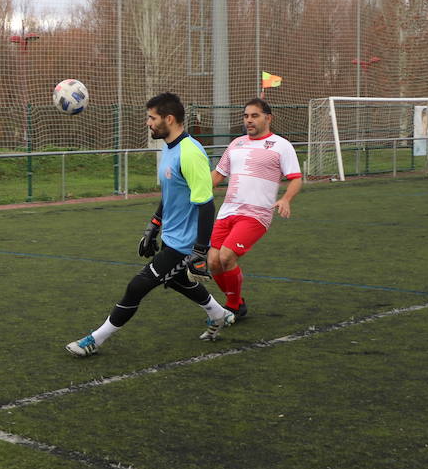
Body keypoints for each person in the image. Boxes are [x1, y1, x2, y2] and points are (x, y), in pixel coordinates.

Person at [65, 92, 235, 356]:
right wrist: (154, 225)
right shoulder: (169, 148)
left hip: (185, 244)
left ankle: (95, 340)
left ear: (169, 119)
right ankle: (218, 313)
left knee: (138, 286)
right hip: (172, 236)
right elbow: (172, 193)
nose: (148, 123)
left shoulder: (190, 153)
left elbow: (205, 204)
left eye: (152, 118)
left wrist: (200, 251)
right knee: (178, 281)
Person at [207, 97, 302, 321]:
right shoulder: (236, 144)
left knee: (227, 256)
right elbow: (218, 175)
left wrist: (286, 199)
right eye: (246, 116)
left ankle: (231, 308)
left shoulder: (281, 145)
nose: (249, 120)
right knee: (213, 261)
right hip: (227, 212)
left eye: (254, 116)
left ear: (268, 118)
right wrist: (193, 191)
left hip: (256, 215)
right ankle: (237, 302)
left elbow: (296, 179)